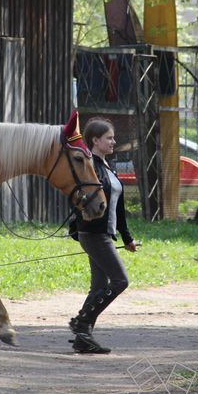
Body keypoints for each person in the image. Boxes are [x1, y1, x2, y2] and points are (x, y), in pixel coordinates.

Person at [68, 117, 137, 354]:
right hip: (93, 233)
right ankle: (81, 323)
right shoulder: (90, 167)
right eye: (109, 138)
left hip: (105, 233)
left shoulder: (108, 166)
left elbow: (118, 206)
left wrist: (126, 238)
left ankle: (82, 339)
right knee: (120, 281)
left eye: (113, 137)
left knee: (99, 286)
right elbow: (79, 197)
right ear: (95, 140)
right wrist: (76, 224)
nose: (113, 141)